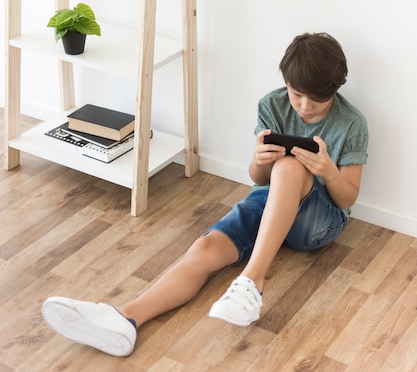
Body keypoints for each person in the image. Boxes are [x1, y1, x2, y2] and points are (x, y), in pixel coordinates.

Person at [42, 32, 368, 358]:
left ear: (334, 91)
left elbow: (347, 199)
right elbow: (258, 179)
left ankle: (251, 282)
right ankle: (126, 317)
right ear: (285, 82)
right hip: (272, 199)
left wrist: (326, 170)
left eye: (317, 100)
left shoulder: (351, 123)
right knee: (206, 246)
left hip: (318, 221)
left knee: (291, 169)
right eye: (297, 95)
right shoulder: (272, 104)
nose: (305, 107)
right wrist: (258, 160)